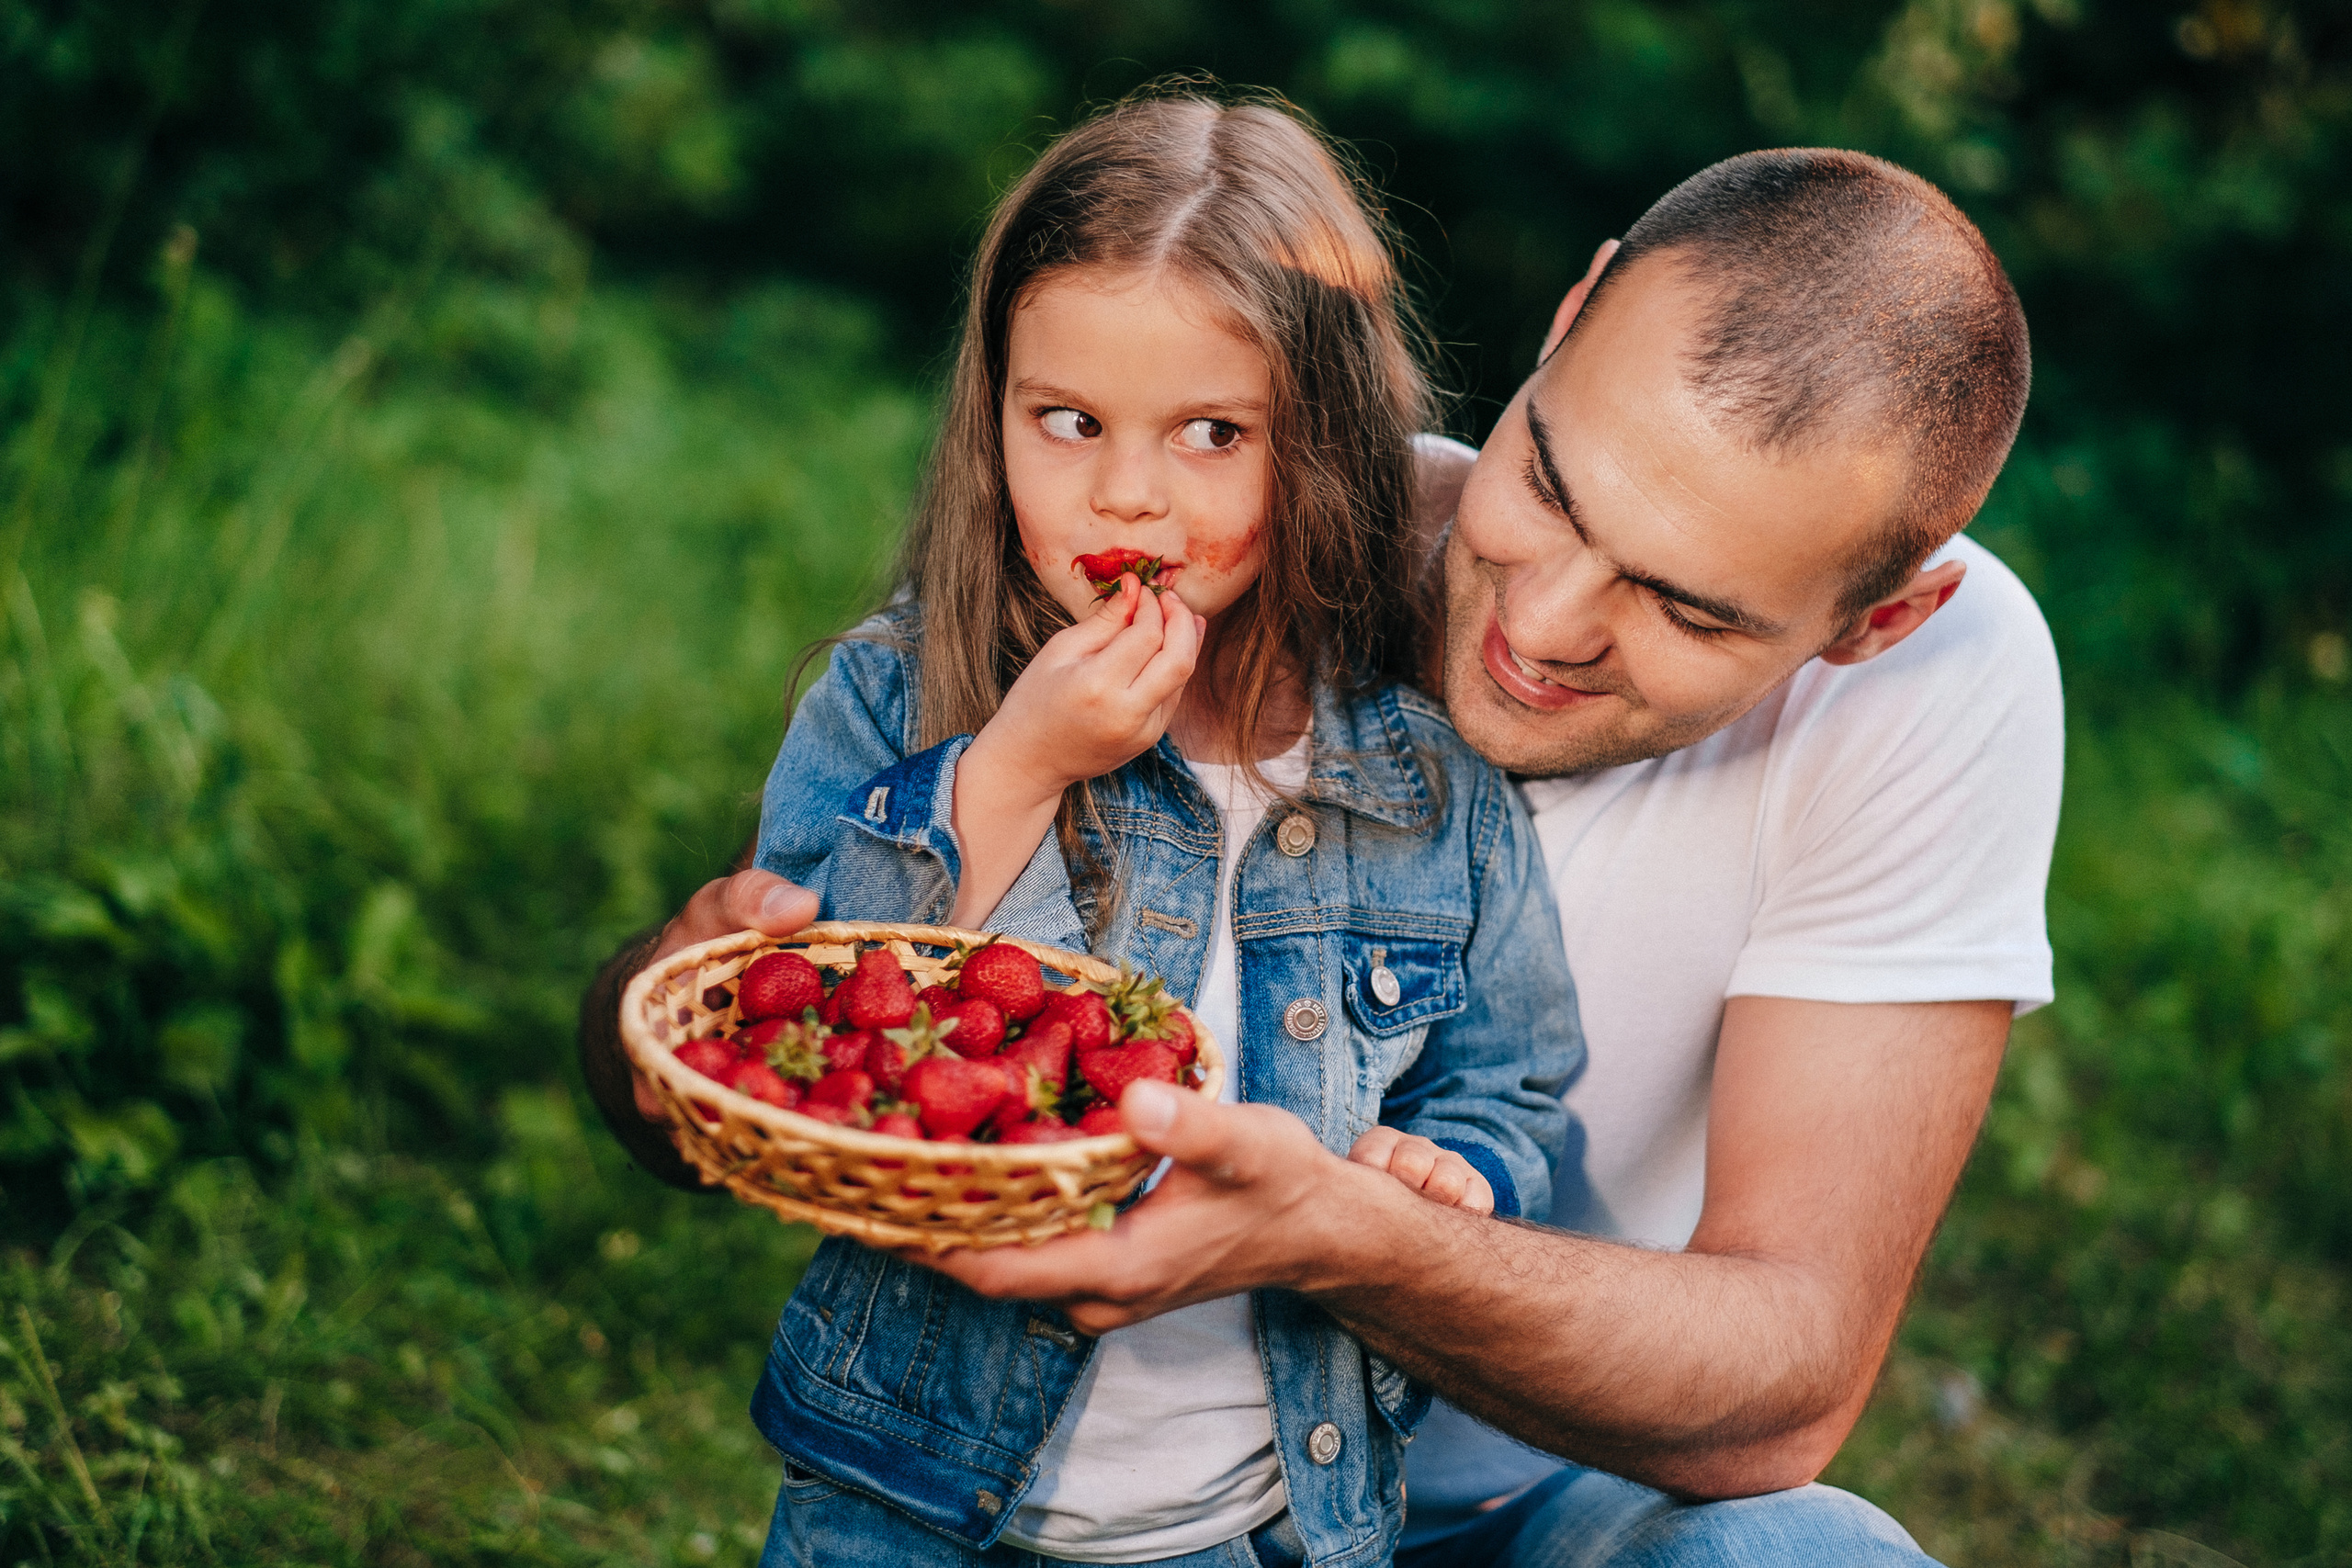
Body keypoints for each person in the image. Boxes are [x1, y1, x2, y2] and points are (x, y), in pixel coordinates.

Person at [582, 146, 2062, 1566]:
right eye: (1548, 485)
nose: (1540, 628)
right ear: (1570, 316)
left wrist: (1351, 1237)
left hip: (1528, 1515)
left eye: (1689, 608)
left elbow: (1784, 1391)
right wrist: (678, 1001)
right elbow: (764, 1023)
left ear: (1875, 622)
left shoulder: (1940, 680)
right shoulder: (1207, 538)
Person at [664, 90, 1584, 1568]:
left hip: (1259, 1521)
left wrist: (1455, 1172)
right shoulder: (895, 697)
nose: (1129, 492)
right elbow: (815, 1032)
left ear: (1329, 449)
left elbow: (1512, 1083)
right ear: (995, 420)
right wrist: (1017, 764)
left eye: (1213, 433)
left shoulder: (1433, 792)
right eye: (1068, 421)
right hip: (901, 1503)